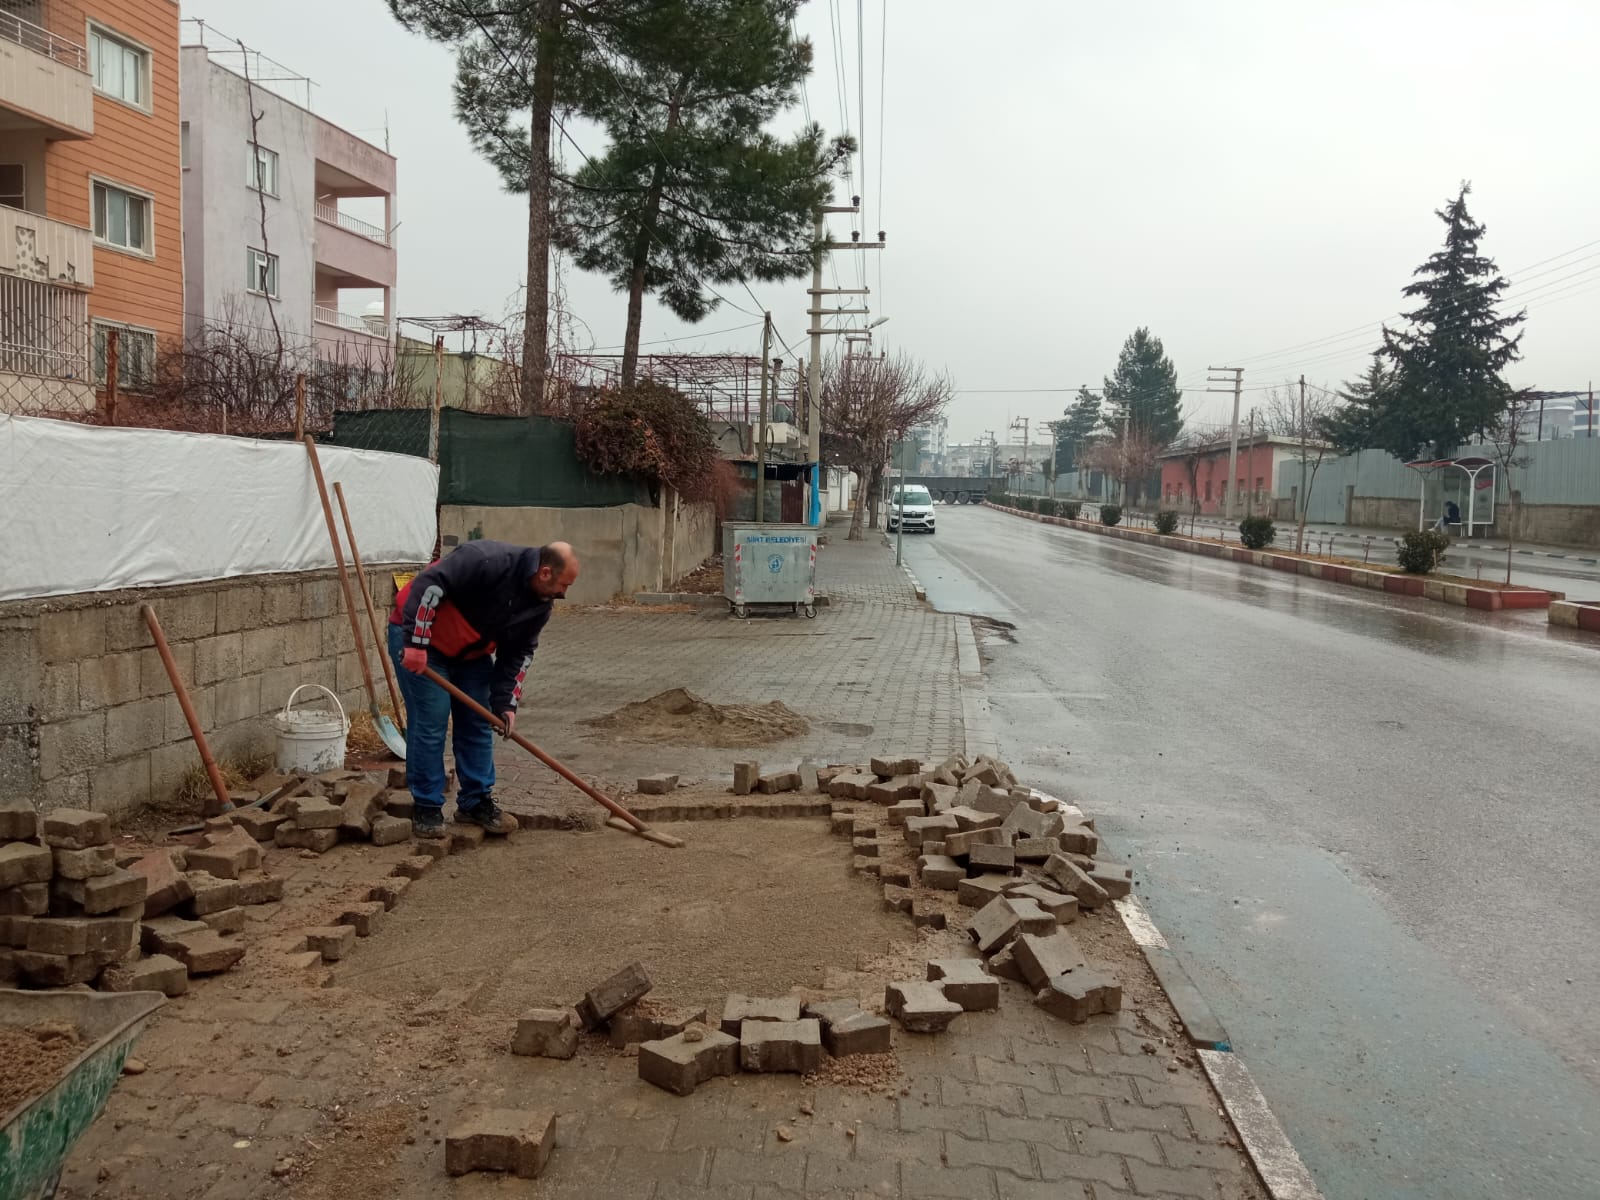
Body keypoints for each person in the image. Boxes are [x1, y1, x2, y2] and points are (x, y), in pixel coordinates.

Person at [387, 540, 580, 837]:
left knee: (478, 720)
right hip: (421, 642)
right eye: (563, 585)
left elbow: (518, 655)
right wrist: (415, 643)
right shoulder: (485, 560)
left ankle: (475, 803)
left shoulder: (539, 606)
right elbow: (429, 586)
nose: (563, 594)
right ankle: (427, 807)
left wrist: (505, 703)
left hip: (469, 654)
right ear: (544, 573)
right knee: (432, 720)